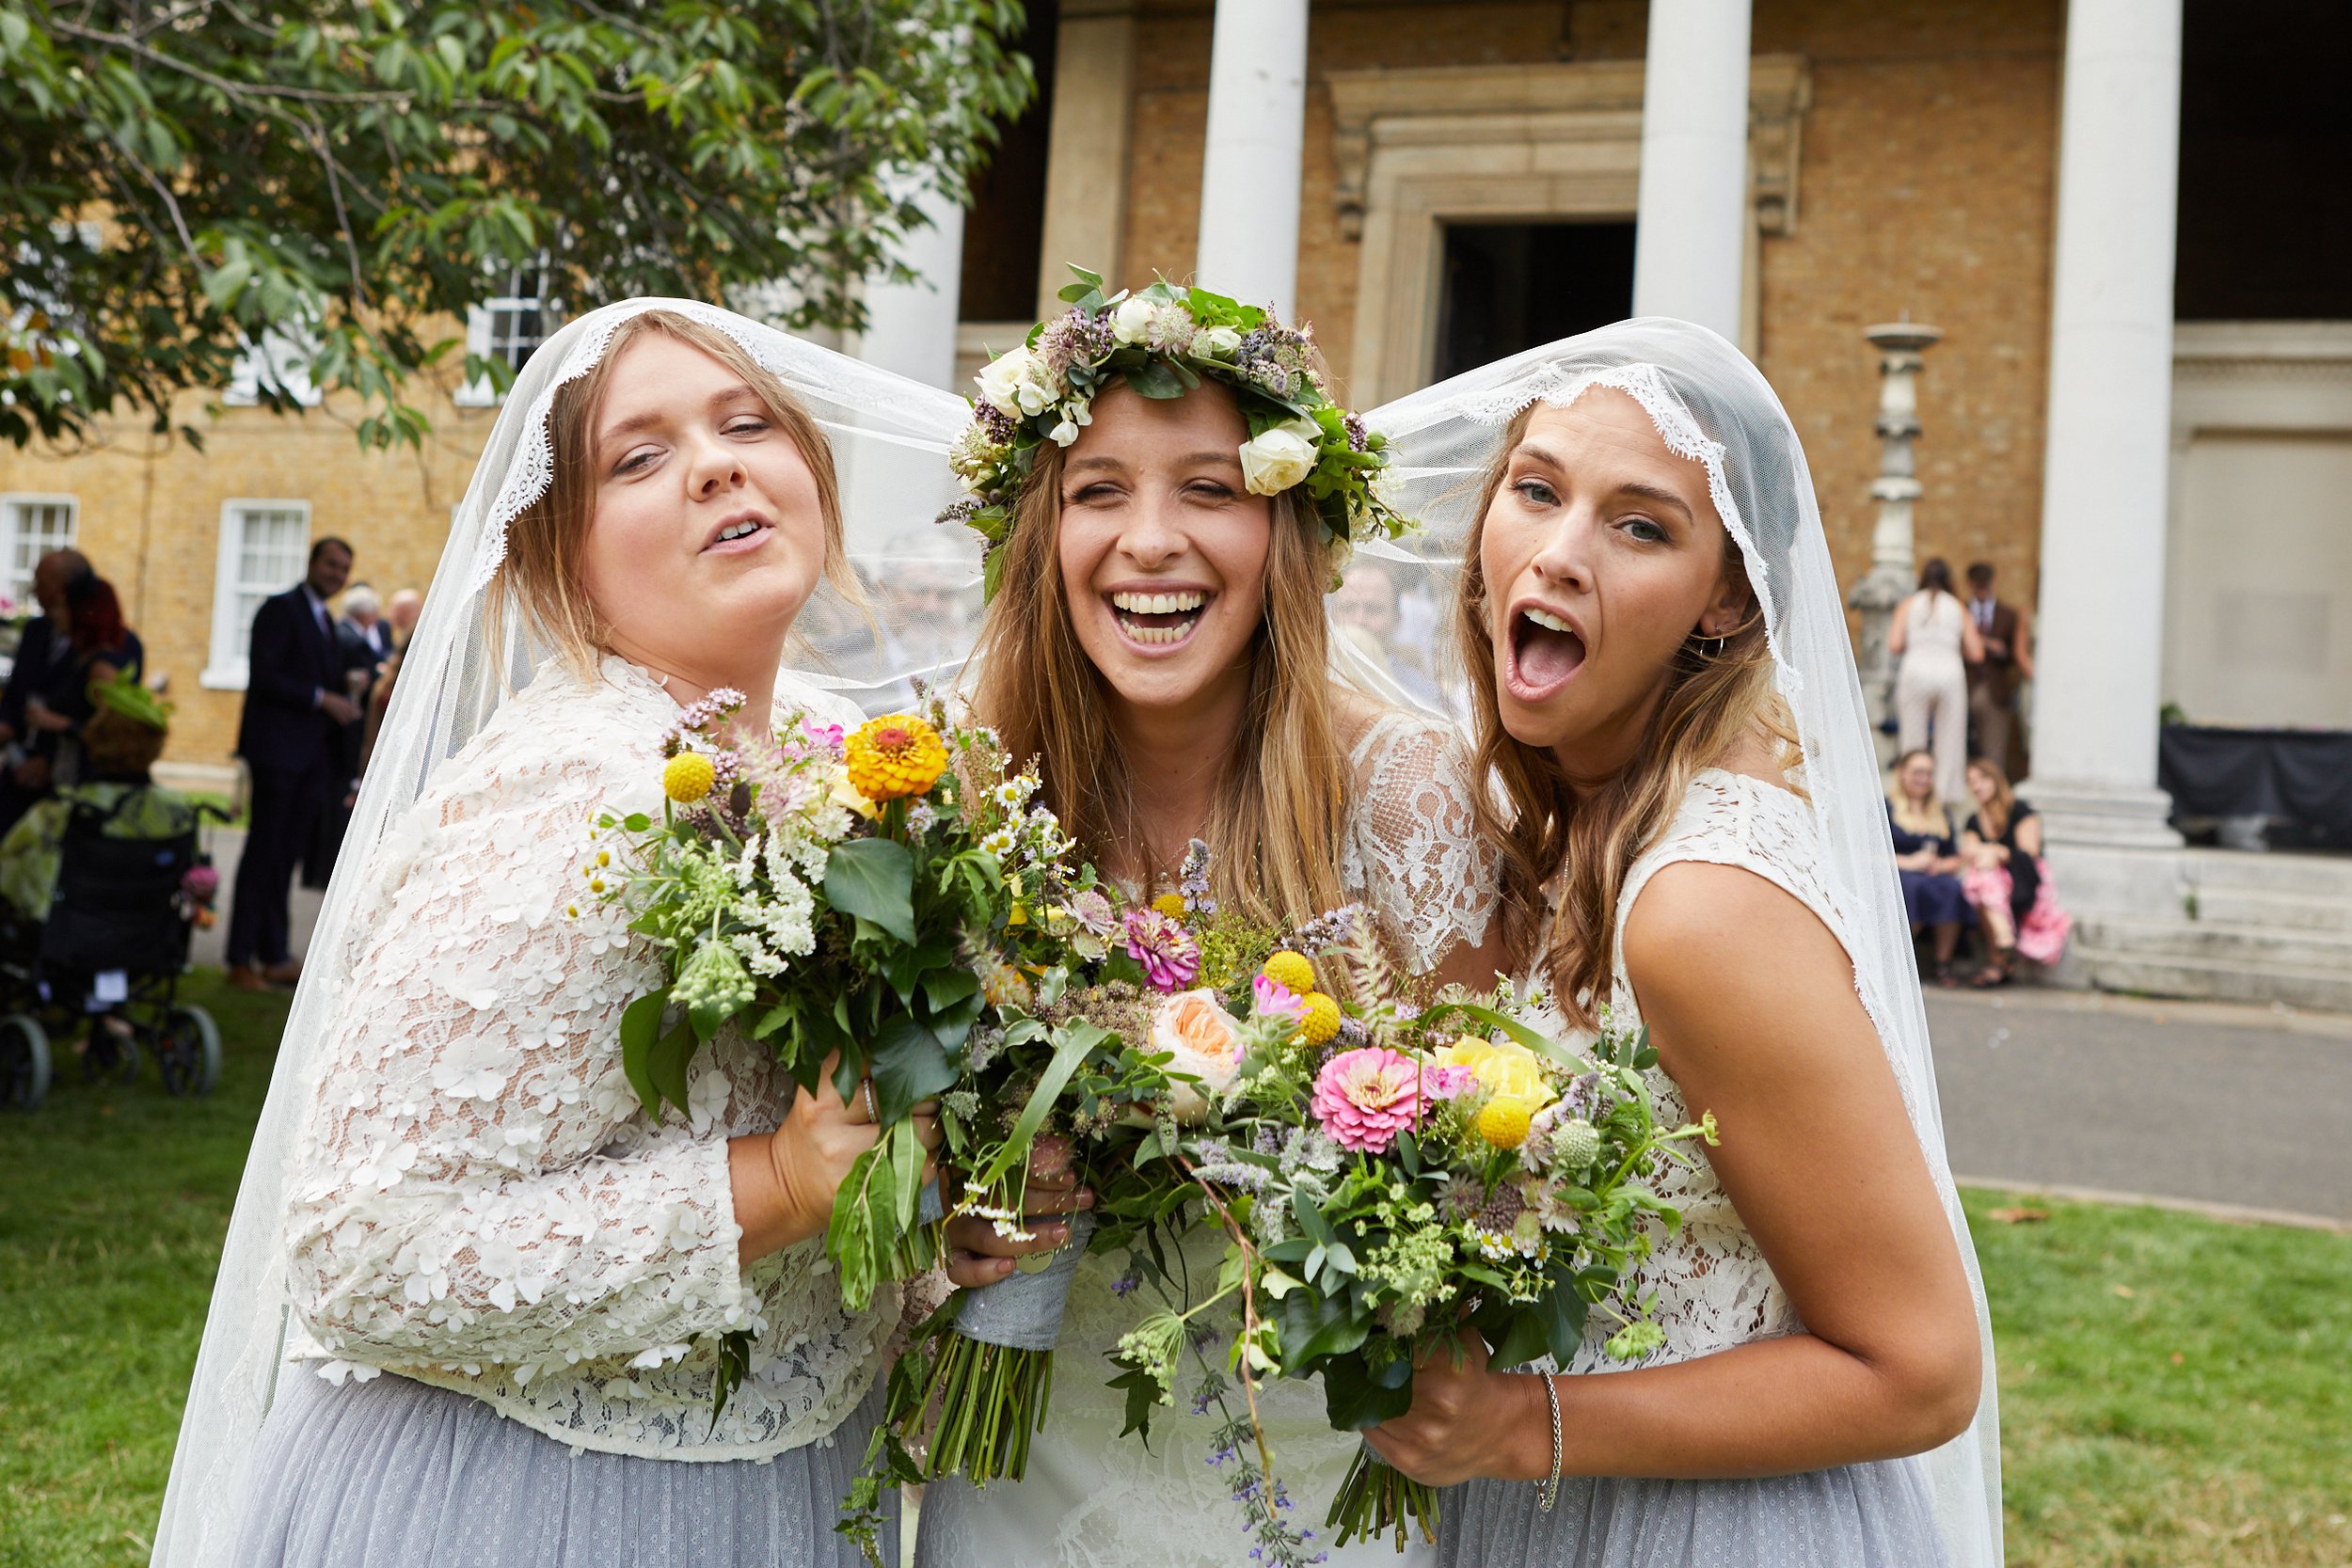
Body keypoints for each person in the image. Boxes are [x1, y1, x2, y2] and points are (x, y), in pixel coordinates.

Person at [154, 301, 955, 1568]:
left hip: (789, 1482)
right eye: (639, 458)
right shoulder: (574, 798)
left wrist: (936, 1231)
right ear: (559, 557)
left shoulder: (837, 751)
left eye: (749, 424)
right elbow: (362, 1250)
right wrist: (777, 1184)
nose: (715, 462)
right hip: (534, 1500)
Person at [1335, 323, 1997, 1568]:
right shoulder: (1585, 821)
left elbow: (1921, 1369)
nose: (1561, 553)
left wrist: (1524, 1423)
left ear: (1726, 597)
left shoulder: (1702, 900)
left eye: (1641, 525)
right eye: (1536, 491)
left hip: (1701, 1527)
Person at [917, 279, 1507, 1568]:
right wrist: (947, 1228)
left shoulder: (1402, 792)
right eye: (1099, 490)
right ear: (1040, 533)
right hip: (1023, 1478)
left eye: (1210, 489)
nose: (1151, 540)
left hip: (1311, 1486)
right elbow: (874, 1173)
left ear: (1288, 532)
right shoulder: (964, 797)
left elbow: (1499, 1183)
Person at [223, 537, 358, 991]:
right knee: (263, 853)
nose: (336, 575)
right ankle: (239, 958)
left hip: (310, 759)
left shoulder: (326, 621)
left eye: (344, 569)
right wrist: (323, 699)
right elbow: (265, 675)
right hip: (276, 753)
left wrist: (345, 684)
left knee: (284, 857)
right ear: (313, 562)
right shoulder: (279, 610)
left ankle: (274, 952)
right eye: (331, 565)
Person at [0, 668, 195, 927]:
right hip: (145, 937)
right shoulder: (176, 813)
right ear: (155, 746)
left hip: (71, 936)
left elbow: (10, 880)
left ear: (94, 740)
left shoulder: (59, 810)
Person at [24, 572, 145, 792]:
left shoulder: (101, 667)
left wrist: (57, 722)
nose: (54, 614)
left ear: (83, 614)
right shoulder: (82, 657)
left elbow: (113, 734)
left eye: (61, 607)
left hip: (89, 785)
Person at [0, 546, 94, 824]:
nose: (34, 592)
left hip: (67, 777)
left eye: (42, 584)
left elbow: (96, 722)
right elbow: (17, 696)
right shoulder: (35, 631)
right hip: (18, 767)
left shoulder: (102, 647)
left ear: (66, 591)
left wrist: (49, 761)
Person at [1887, 557, 1982, 808]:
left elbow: (1894, 644)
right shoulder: (1959, 607)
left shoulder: (1908, 604)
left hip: (1916, 669)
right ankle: (1944, 796)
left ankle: (1911, 791)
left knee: (1912, 735)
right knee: (1951, 737)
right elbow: (1977, 653)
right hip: (1949, 671)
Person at [1889, 748, 1970, 986]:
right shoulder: (1886, 808)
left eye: (1929, 773)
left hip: (1933, 875)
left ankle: (1943, 962)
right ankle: (1898, 959)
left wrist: (1940, 865)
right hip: (1899, 873)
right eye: (1917, 772)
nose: (1923, 778)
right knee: (1912, 887)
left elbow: (1955, 857)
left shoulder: (1940, 812)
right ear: (1902, 773)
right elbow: (1865, 853)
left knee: (1952, 888)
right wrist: (1908, 862)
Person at [1958, 756, 2042, 987]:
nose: (1976, 786)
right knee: (1983, 876)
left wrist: (1996, 852)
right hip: (1990, 884)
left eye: (1982, 779)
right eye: (1970, 781)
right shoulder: (1974, 820)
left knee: (1983, 877)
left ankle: (1999, 957)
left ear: (1996, 779)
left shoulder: (2020, 810)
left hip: (2021, 879)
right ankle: (2003, 942)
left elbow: (2029, 852)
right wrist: (1988, 854)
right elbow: (1969, 852)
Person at [1963, 562, 2031, 779]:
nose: (1981, 592)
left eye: (1985, 587)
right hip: (1963, 686)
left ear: (1993, 584)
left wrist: (1999, 650)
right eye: (1977, 587)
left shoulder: (2008, 615)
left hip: (1996, 690)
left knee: (1994, 753)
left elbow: (2016, 654)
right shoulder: (1960, 611)